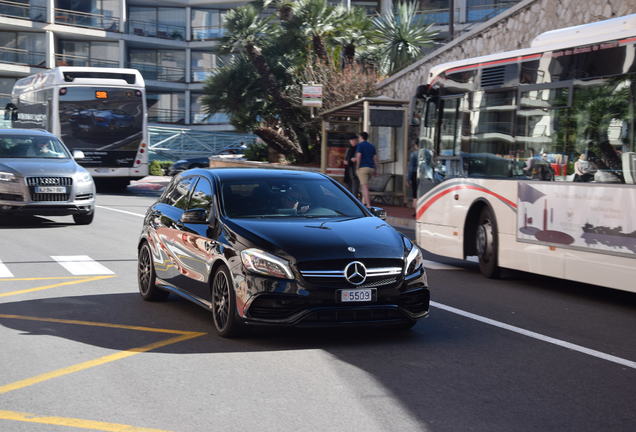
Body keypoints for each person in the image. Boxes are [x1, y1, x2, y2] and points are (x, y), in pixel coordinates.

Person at [355, 131, 378, 207]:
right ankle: (363, 202)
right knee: (364, 186)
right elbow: (375, 158)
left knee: (364, 187)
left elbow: (359, 156)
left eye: (359, 137)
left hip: (363, 168)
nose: (358, 138)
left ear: (361, 137)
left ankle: (368, 205)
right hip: (371, 168)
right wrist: (376, 169)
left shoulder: (360, 145)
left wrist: (357, 167)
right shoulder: (372, 146)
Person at [407, 143, 418, 215]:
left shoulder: (414, 154)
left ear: (416, 145)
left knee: (415, 193)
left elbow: (411, 168)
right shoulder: (428, 153)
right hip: (425, 175)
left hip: (415, 174)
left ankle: (416, 211)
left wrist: (408, 179)